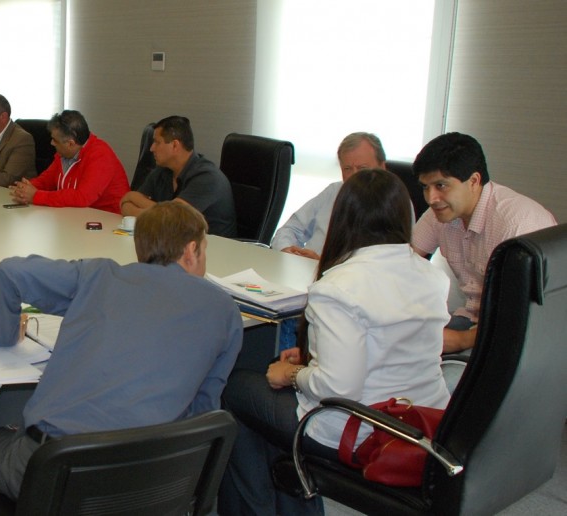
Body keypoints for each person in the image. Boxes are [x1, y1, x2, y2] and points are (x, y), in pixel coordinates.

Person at [0, 201, 243, 499]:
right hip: (150, 481)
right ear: (192, 250)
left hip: (56, 469)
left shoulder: (98, 276)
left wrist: (5, 336)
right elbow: (204, 414)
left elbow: (8, 272)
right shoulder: (225, 311)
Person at [217, 168, 452, 515]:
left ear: (344, 219)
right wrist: (313, 359)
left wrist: (292, 375)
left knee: (237, 387)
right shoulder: (431, 276)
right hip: (422, 420)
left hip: (362, 430)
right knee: (267, 412)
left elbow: (338, 387)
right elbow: (388, 346)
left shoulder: (338, 287)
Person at [411, 132, 556, 354]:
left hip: (524, 338)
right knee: (398, 350)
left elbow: (524, 318)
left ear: (474, 181)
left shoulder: (515, 225)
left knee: (438, 374)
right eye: (425, 187)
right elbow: (405, 262)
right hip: (474, 321)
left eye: (441, 185)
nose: (431, 198)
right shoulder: (440, 213)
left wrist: (461, 341)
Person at [271, 132, 388, 259]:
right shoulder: (333, 191)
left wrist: (322, 263)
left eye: (362, 168)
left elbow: (378, 263)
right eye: (347, 168)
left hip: (340, 271)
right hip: (305, 266)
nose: (353, 176)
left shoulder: (392, 205)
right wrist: (287, 250)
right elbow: (290, 229)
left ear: (382, 167)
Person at [119, 116, 237, 236]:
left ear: (175, 145)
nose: (151, 148)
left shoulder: (207, 177)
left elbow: (174, 218)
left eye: (157, 142)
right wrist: (160, 215)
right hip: (174, 240)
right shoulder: (162, 170)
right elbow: (124, 204)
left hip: (212, 245)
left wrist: (131, 196)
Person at [8, 110, 129, 214]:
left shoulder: (101, 155)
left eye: (55, 140)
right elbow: (47, 180)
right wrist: (26, 188)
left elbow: (82, 197)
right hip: (76, 216)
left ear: (70, 144)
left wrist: (36, 196)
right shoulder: (64, 154)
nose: (51, 143)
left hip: (108, 220)